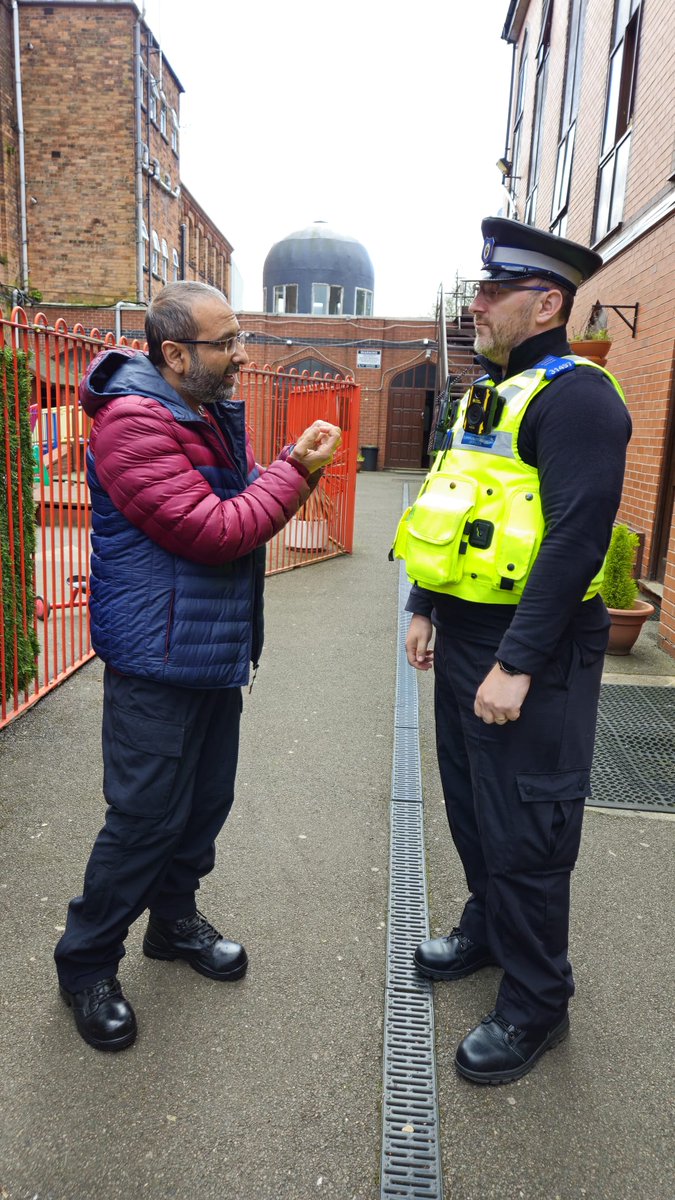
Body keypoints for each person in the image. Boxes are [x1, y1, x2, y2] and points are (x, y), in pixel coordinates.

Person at [55, 280, 341, 1051]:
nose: (243, 353)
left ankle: (171, 924)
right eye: (228, 342)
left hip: (209, 648)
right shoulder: (132, 426)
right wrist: (298, 474)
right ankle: (85, 963)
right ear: (175, 353)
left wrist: (283, 463)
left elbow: (238, 495)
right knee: (144, 819)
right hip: (157, 657)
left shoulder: (200, 409)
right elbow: (217, 531)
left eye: (241, 336)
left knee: (203, 804)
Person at [393, 217, 631, 1085]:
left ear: (548, 302)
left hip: (531, 648)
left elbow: (574, 540)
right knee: (472, 802)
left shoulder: (580, 399)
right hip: (465, 633)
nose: (477, 304)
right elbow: (451, 502)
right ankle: (487, 931)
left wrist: (518, 661)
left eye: (493, 292)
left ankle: (537, 1001)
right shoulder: (488, 395)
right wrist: (425, 603)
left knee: (528, 822)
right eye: (479, 289)